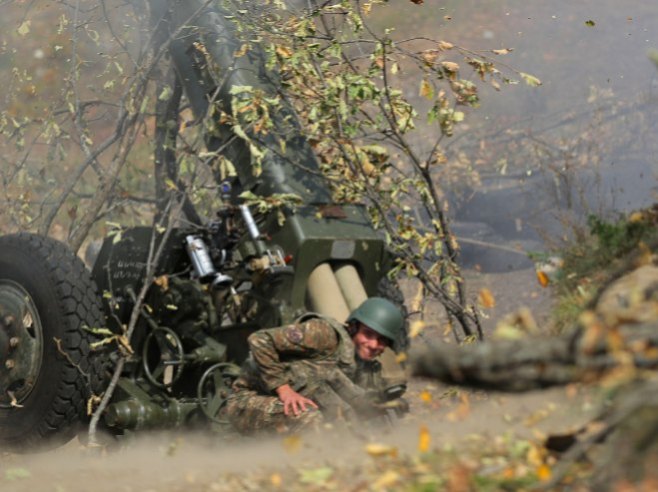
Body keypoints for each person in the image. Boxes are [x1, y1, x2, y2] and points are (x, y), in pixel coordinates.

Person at [225, 297, 405, 435]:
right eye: (368, 334)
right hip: (247, 400)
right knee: (310, 418)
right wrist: (284, 390)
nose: (374, 345)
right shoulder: (324, 334)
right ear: (353, 327)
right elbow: (260, 339)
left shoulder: (367, 367)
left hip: (291, 406)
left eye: (382, 340)